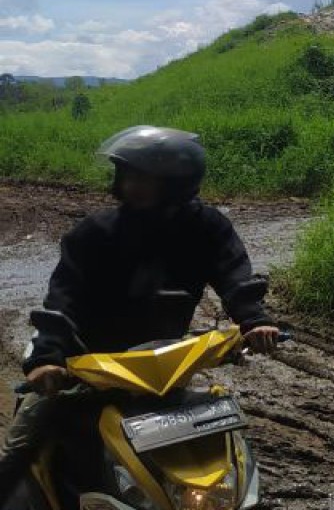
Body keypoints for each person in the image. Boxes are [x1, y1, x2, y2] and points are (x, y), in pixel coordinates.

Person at [0, 126, 282, 492]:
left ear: (177, 182)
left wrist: (255, 321)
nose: (131, 184)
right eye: (127, 174)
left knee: (217, 441)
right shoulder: (94, 232)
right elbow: (63, 296)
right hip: (85, 360)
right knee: (26, 439)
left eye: (143, 177)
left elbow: (235, 277)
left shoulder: (207, 227)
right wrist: (47, 359)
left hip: (160, 362)